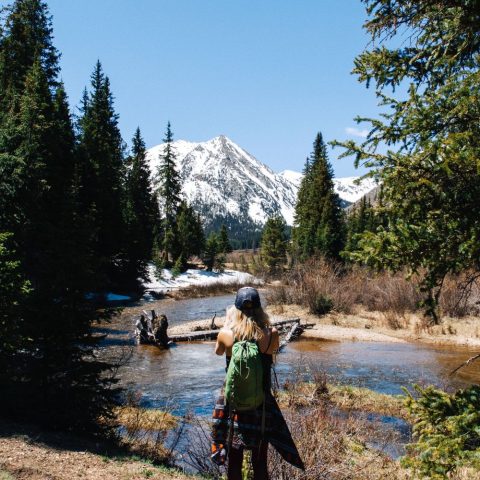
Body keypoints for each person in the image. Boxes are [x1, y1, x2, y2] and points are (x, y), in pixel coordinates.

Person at [212, 287, 304, 480]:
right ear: (260, 309)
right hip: (262, 404)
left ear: (235, 310)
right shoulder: (271, 333)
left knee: (234, 461)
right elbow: (273, 352)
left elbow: (218, 352)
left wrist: (228, 323)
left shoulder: (226, 334)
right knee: (260, 461)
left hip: (233, 404)